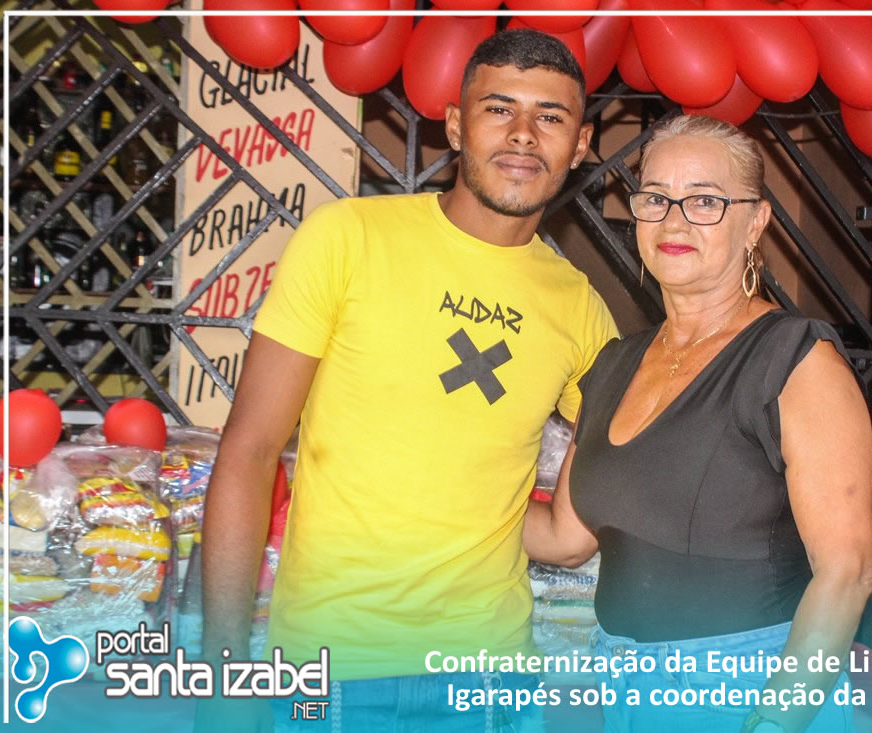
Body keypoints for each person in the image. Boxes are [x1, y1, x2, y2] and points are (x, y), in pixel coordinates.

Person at [195, 30, 617, 733]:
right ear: (454, 125)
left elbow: (580, 525)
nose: (523, 133)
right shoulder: (347, 238)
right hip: (331, 671)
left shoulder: (582, 310)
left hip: (489, 682)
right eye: (498, 108)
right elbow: (249, 451)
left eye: (550, 116)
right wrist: (223, 672)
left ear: (580, 145)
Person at [523, 115, 872, 733]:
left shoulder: (795, 360)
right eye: (655, 198)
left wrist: (775, 722)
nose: (675, 220)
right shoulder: (613, 364)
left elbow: (849, 573)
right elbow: (565, 537)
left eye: (706, 201)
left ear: (756, 222)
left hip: (747, 688)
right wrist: (437, 499)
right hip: (620, 683)